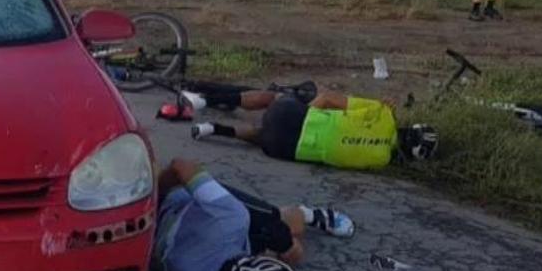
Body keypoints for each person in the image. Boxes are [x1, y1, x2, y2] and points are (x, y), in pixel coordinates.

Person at [153, 158, 355, 271]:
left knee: (284, 231)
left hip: (178, 210)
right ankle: (309, 215)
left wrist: (159, 190)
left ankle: (302, 216)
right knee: (285, 236)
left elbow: (181, 165)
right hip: (175, 227)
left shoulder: (232, 220)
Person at [184, 86, 438, 170]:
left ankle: (207, 100)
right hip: (286, 149)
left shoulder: (384, 114)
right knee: (264, 135)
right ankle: (214, 129)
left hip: (297, 120)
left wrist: (307, 112)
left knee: (273, 99)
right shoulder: (381, 162)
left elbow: (328, 98)